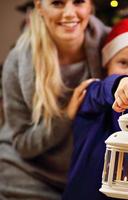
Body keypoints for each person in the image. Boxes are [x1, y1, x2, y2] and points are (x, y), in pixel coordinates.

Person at [0, 0, 110, 199]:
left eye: (78, 2)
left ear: (90, 5)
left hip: (90, 179)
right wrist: (66, 116)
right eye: (57, 3)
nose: (69, 13)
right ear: (39, 6)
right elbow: (22, 144)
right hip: (28, 176)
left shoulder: (114, 44)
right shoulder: (17, 62)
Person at [62, 18, 128, 200]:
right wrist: (120, 83)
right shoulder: (94, 92)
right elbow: (107, 89)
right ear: (107, 64)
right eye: (123, 63)